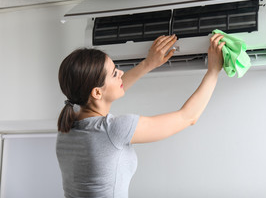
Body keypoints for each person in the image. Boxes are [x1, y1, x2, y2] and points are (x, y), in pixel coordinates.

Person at [56, 33, 225, 198]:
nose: (121, 73)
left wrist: (148, 64)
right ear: (97, 92)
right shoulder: (114, 130)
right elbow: (188, 117)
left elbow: (108, 93)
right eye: (115, 73)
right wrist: (213, 70)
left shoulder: (67, 129)